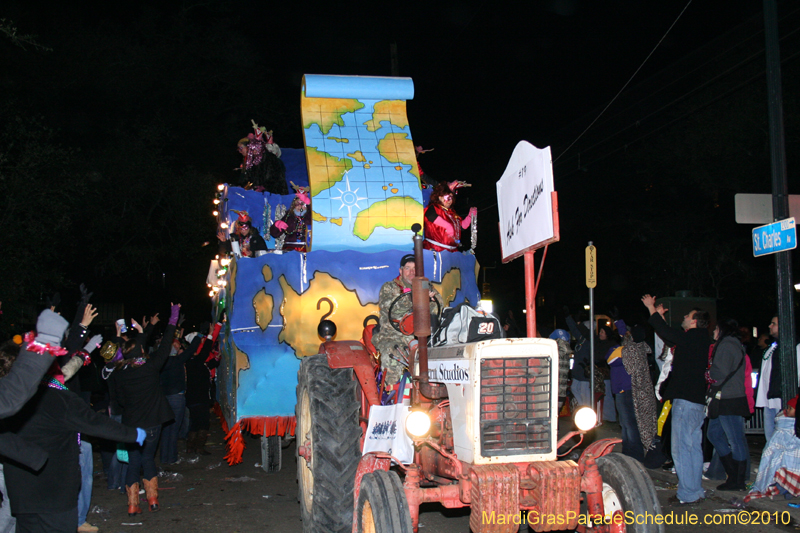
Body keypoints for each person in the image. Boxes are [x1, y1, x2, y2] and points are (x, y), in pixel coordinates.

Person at [0, 319, 145, 533]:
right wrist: (132, 434)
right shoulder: (54, 398)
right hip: (55, 495)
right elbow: (94, 422)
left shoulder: (5, 401)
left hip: (22, 495)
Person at [642, 295, 711, 505]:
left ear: (695, 321)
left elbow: (668, 333)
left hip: (686, 402)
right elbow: (671, 337)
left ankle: (688, 493)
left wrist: (651, 308)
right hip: (696, 401)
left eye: (688, 316)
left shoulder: (694, 336)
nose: (684, 317)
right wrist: (659, 317)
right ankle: (695, 490)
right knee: (693, 448)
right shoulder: (700, 339)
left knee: (681, 448)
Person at [113, 303, 181, 516]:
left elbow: (121, 400)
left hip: (131, 425)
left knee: (134, 462)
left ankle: (133, 504)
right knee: (148, 459)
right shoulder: (151, 367)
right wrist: (173, 318)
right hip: (152, 423)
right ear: (142, 351)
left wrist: (119, 336)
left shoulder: (120, 373)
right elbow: (165, 344)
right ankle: (152, 500)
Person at [371, 254, 444, 387]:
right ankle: (391, 391)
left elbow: (439, 308)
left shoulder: (426, 286)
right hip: (393, 336)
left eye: (415, 268)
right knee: (391, 356)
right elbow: (391, 308)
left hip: (424, 337)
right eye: (407, 268)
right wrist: (415, 298)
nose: (412, 272)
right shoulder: (389, 287)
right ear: (401, 271)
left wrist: (431, 301)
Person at [706, 318, 751, 491]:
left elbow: (720, 371)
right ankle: (733, 474)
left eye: (716, 329)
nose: (714, 332)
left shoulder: (727, 345)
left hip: (729, 398)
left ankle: (737, 480)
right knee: (714, 434)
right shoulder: (732, 344)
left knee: (735, 439)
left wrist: (707, 373)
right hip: (727, 397)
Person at [159, 329, 203, 464]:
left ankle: (164, 457)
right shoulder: (176, 361)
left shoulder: (159, 363)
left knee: (165, 429)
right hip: (176, 398)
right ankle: (172, 457)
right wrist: (199, 336)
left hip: (164, 397)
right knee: (174, 428)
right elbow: (191, 350)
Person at [747, 396, 800, 501]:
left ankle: (787, 489)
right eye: (787, 407)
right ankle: (784, 488)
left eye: (790, 408)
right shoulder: (781, 425)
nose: (787, 410)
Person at [185, 323, 222, 455]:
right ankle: (199, 447)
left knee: (195, 423)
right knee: (203, 423)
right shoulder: (195, 360)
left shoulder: (191, 361)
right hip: (199, 398)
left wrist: (217, 358)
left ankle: (190, 447)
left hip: (193, 398)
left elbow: (207, 366)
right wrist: (211, 334)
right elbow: (206, 351)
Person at [422, 181, 476, 252]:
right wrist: (447, 226)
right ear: (440, 197)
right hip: (436, 250)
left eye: (452, 198)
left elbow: (461, 227)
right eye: (448, 197)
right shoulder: (434, 207)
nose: (450, 201)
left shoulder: (452, 213)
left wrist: (470, 216)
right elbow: (430, 215)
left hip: (452, 251)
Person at [236, 121, 287, 194]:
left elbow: (274, 178)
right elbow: (249, 178)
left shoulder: (270, 159)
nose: (254, 152)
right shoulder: (252, 161)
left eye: (256, 149)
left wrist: (263, 187)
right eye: (252, 150)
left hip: (273, 193)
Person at [756, 316, 783, 441]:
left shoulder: (794, 346)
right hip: (768, 399)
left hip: (780, 399)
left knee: (781, 435)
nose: (770, 326)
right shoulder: (771, 348)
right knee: (770, 436)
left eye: (773, 324)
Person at [549, 330, 572, 411]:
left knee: (551, 415)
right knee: (556, 414)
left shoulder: (555, 352)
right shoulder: (566, 353)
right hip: (561, 391)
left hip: (552, 391)